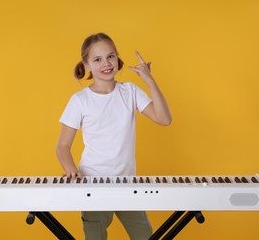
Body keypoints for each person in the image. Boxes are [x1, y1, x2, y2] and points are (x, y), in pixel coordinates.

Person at [56, 33, 172, 240]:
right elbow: (62, 146)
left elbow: (164, 119)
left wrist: (149, 79)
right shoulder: (80, 100)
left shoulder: (130, 91)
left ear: (117, 58)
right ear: (87, 65)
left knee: (145, 236)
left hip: (127, 184)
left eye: (110, 56)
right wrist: (71, 170)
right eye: (97, 59)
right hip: (92, 183)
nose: (106, 63)